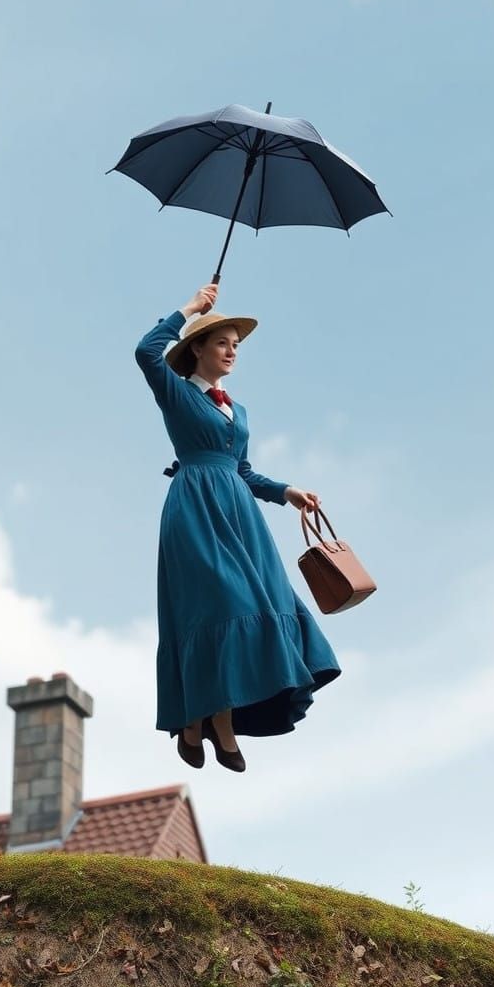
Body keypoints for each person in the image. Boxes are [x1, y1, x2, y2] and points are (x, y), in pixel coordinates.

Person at [135, 284, 340, 773]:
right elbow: (145, 351)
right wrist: (190, 309)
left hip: (240, 515)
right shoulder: (177, 392)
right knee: (221, 604)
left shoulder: (237, 410)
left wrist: (286, 492)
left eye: (236, 346)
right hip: (196, 510)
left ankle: (210, 721)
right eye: (222, 343)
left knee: (255, 601)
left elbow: (242, 470)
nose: (231, 352)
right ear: (197, 348)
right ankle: (205, 720)